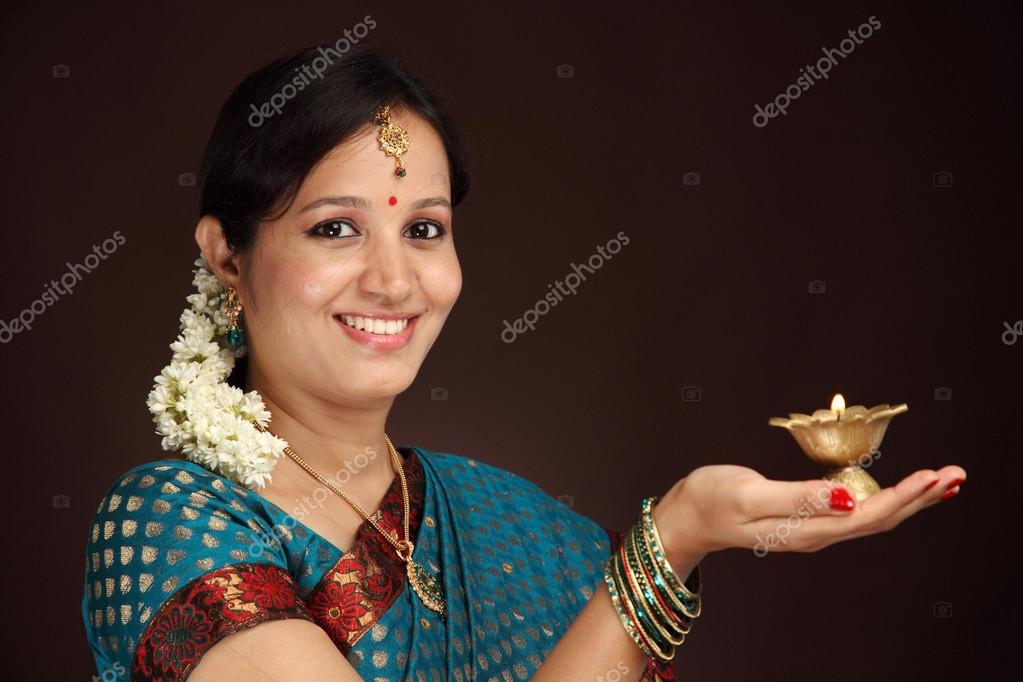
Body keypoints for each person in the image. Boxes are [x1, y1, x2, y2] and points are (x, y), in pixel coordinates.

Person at [81, 43, 966, 681]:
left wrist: (683, 533)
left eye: (423, 229)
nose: (393, 280)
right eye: (336, 228)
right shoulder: (165, 522)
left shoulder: (531, 536)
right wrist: (668, 542)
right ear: (227, 258)